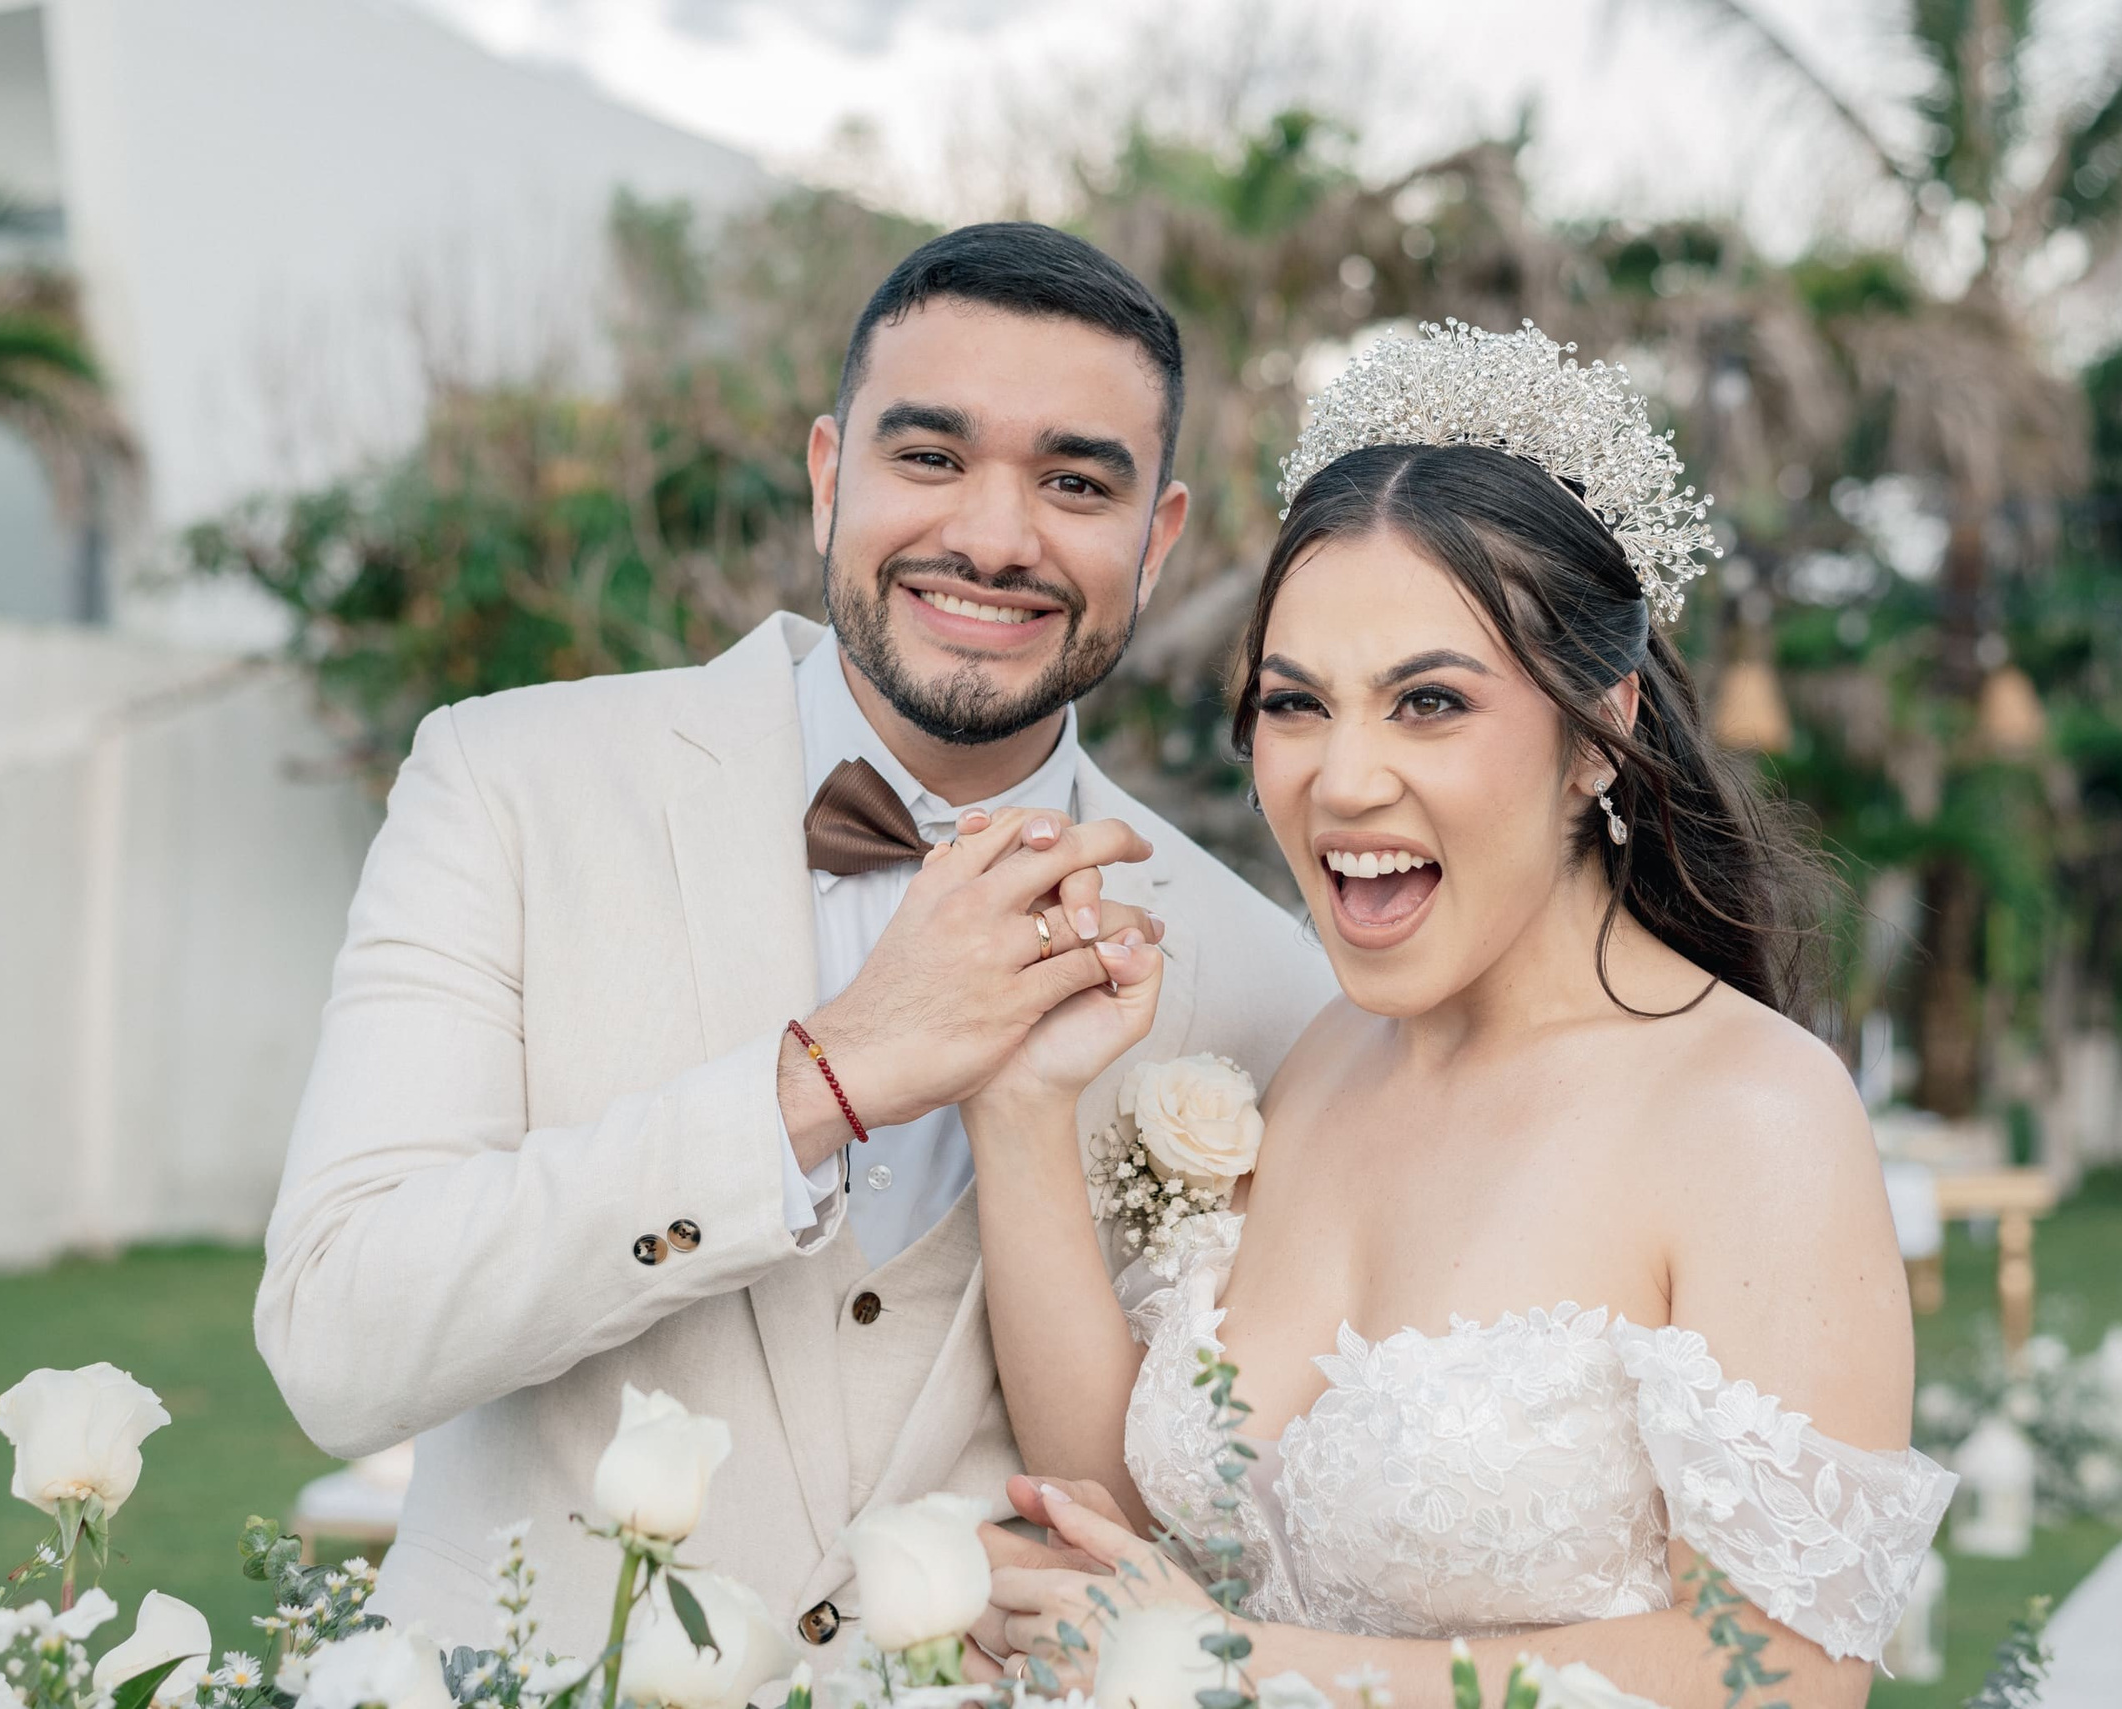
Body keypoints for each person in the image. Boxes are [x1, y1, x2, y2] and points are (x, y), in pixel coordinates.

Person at [253, 223, 1336, 1656]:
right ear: (831, 478)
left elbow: (1217, 1515)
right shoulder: (507, 787)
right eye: (931, 457)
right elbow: (340, 1343)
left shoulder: (1269, 981)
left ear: (1162, 534)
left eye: (1077, 482)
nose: (997, 538)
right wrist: (829, 1075)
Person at [956, 322, 1956, 1708]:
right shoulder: (1321, 1060)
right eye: (1295, 705)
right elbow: (1140, 1523)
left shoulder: (1751, 1113)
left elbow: (1781, 1678)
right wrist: (1018, 1110)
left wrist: (1239, 1669)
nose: (1343, 778)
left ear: (1596, 726)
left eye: (1428, 702)